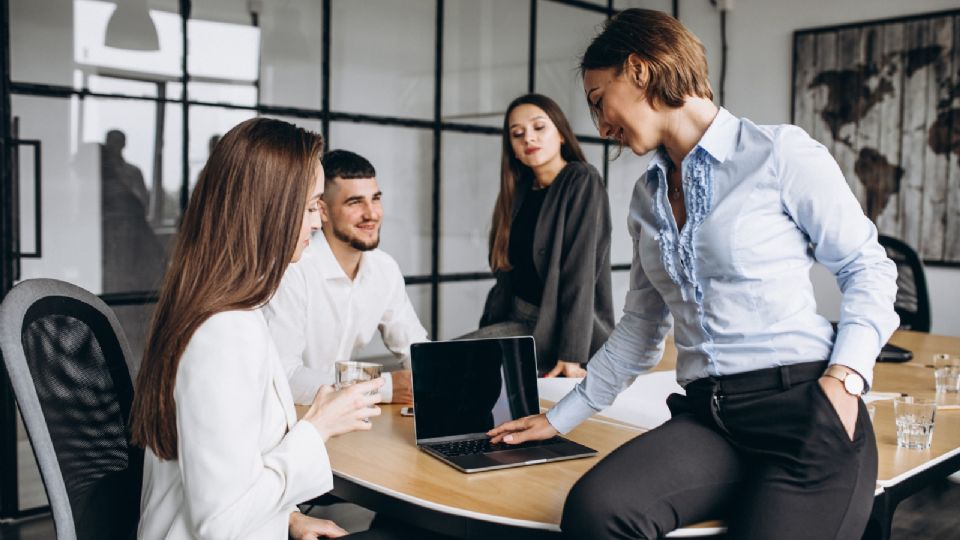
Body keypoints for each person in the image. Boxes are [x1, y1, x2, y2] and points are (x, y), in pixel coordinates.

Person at [488, 9, 899, 539]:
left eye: (598, 101)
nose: (598, 126)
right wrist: (558, 418)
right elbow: (639, 328)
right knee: (596, 511)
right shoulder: (646, 196)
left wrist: (843, 381)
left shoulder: (779, 153)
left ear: (638, 70)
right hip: (709, 420)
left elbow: (867, 267)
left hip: (804, 410)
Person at [129, 118, 386, 539]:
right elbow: (219, 524)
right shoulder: (224, 333)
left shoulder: (226, 310)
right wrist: (316, 428)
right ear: (268, 211)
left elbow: (228, 477)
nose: (318, 224)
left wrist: (291, 519)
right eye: (308, 207)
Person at [265, 149, 428, 405]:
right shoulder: (292, 270)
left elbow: (416, 348)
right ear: (323, 211)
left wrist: (437, 375)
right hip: (292, 419)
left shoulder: (384, 268)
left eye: (375, 199)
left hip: (344, 415)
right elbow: (284, 377)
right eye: (355, 202)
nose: (372, 213)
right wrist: (383, 388)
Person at [468, 93, 614, 378]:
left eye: (539, 127)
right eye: (517, 134)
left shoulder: (581, 179)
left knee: (447, 366)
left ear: (560, 134)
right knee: (442, 363)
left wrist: (571, 355)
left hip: (557, 330)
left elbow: (580, 273)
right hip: (517, 320)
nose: (528, 139)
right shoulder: (518, 190)